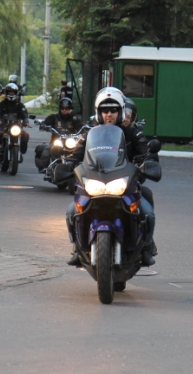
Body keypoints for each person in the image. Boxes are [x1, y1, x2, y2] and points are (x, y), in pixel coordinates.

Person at [66, 88, 158, 266]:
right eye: (105, 110)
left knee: (147, 212)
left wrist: (148, 161)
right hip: (95, 181)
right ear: (98, 113)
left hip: (125, 184)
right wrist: (68, 164)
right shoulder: (89, 134)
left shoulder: (133, 134)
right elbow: (75, 155)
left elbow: (147, 152)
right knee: (71, 211)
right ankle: (77, 248)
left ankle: (146, 247)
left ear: (120, 112)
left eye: (113, 110)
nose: (109, 114)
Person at [35, 97, 83, 171]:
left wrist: (73, 116)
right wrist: (43, 125)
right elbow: (46, 122)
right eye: (62, 108)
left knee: (81, 150)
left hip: (71, 142)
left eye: (67, 108)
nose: (64, 110)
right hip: (57, 141)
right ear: (60, 108)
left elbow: (81, 127)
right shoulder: (54, 117)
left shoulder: (74, 118)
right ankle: (43, 167)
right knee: (47, 150)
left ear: (70, 109)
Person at [0, 83, 31, 160]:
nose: (11, 94)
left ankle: (21, 151)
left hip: (16, 126)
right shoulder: (1, 104)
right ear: (6, 93)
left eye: (13, 92)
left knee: (25, 135)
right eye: (10, 92)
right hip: (4, 125)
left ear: (16, 93)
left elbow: (24, 114)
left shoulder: (19, 105)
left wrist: (26, 121)